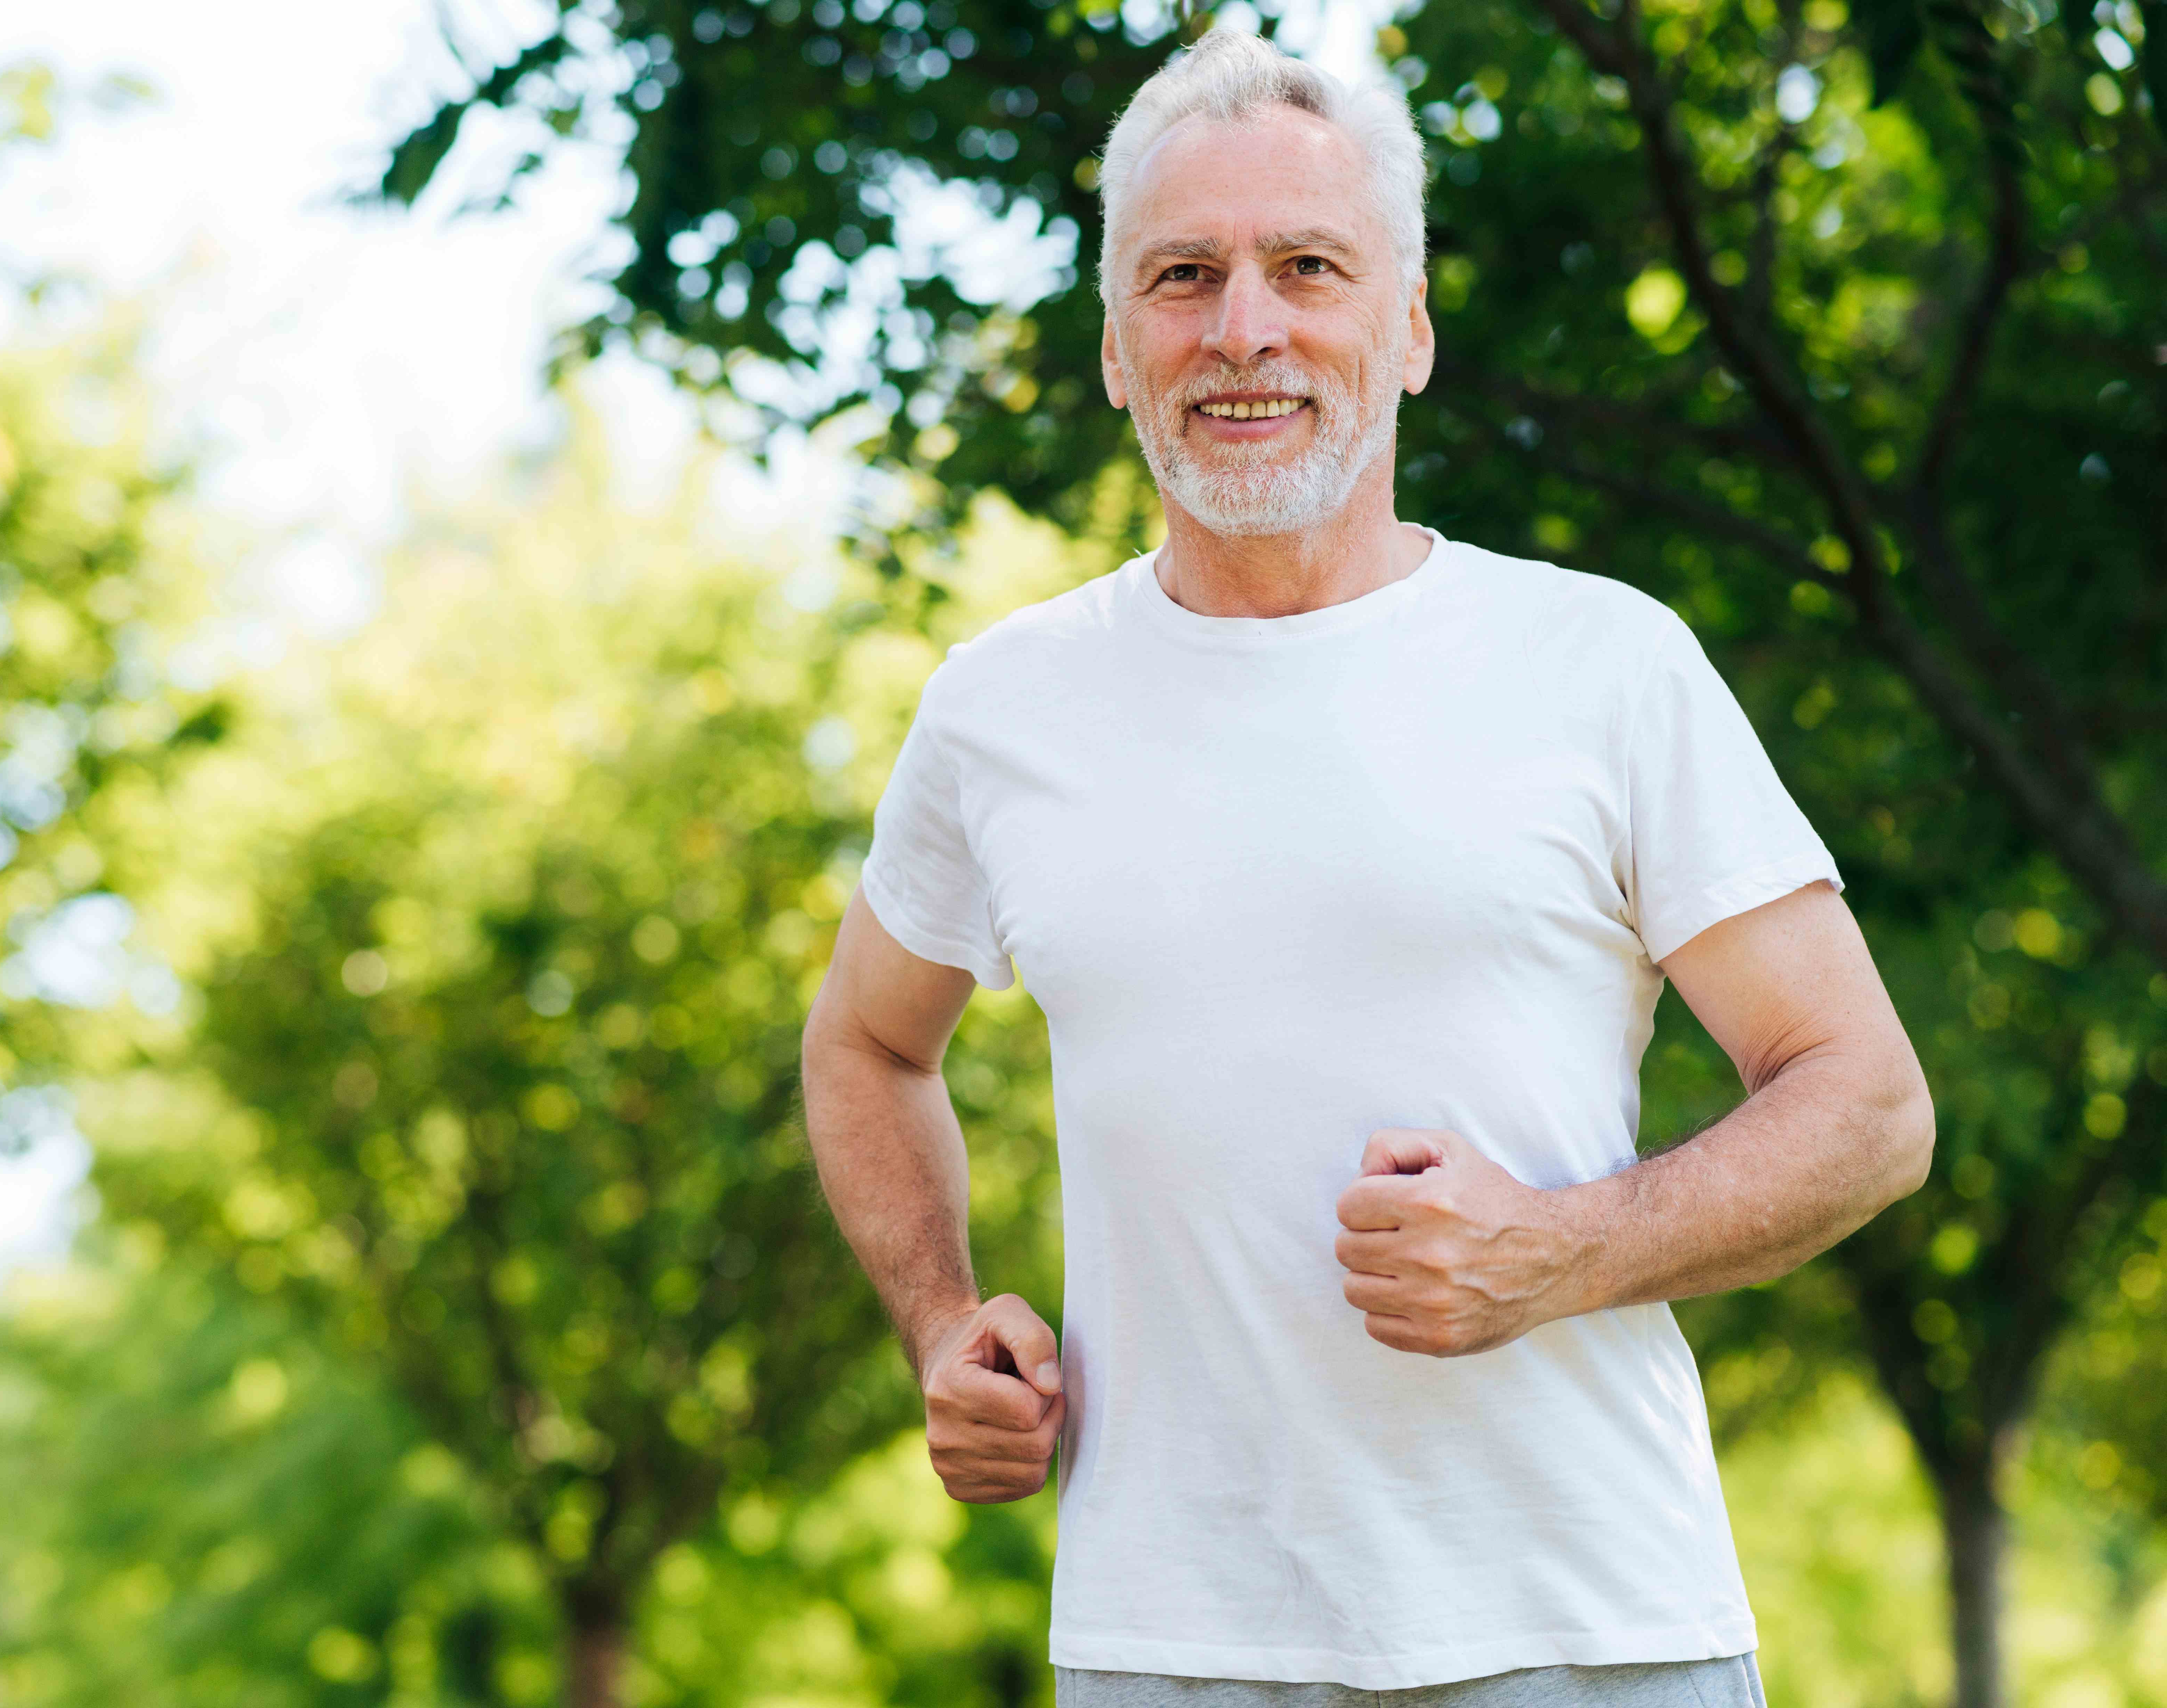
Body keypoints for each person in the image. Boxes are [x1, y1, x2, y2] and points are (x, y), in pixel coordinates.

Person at [796, 26, 1935, 1708]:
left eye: (1307, 268)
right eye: (1182, 276)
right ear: (1116, 347)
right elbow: (868, 1043)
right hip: (1166, 1649)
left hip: (1588, 1632)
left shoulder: (1602, 664)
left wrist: (1567, 1246)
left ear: (1405, 327)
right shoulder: (1000, 708)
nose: (1242, 327)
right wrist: (941, 1323)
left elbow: (1868, 1105)